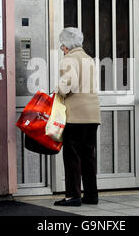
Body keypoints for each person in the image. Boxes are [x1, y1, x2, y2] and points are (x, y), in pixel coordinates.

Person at [53, 27, 101, 207]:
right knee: (88, 155)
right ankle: (91, 195)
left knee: (72, 156)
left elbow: (69, 84)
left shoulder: (69, 59)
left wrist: (58, 91)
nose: (62, 49)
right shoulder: (89, 59)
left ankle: (73, 195)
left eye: (62, 45)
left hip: (76, 115)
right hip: (92, 114)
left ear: (66, 45)